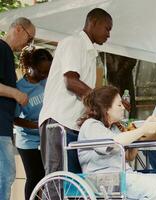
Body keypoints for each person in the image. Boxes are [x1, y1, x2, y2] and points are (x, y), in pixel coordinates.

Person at [77, 86, 156, 200]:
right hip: (103, 180)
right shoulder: (91, 125)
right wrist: (143, 129)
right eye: (119, 105)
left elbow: (129, 156)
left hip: (124, 176)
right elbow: (114, 143)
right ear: (106, 108)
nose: (123, 108)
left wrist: (141, 134)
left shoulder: (113, 128)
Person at [38, 8, 112, 176]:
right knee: (59, 182)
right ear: (93, 23)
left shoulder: (91, 54)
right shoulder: (73, 42)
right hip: (58, 121)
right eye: (107, 28)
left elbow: (86, 93)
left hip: (74, 125)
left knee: (75, 184)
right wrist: (101, 102)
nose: (109, 35)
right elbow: (71, 81)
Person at [0, 17, 35, 200]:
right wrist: (16, 94)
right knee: (4, 176)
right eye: (29, 39)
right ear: (19, 29)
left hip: (4, 127)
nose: (28, 45)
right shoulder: (2, 48)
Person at [14, 48, 52, 200]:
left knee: (45, 176)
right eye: (42, 72)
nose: (45, 76)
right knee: (34, 176)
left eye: (47, 72)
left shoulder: (47, 81)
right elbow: (15, 118)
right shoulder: (19, 88)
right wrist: (35, 126)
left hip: (46, 138)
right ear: (31, 67)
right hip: (28, 141)